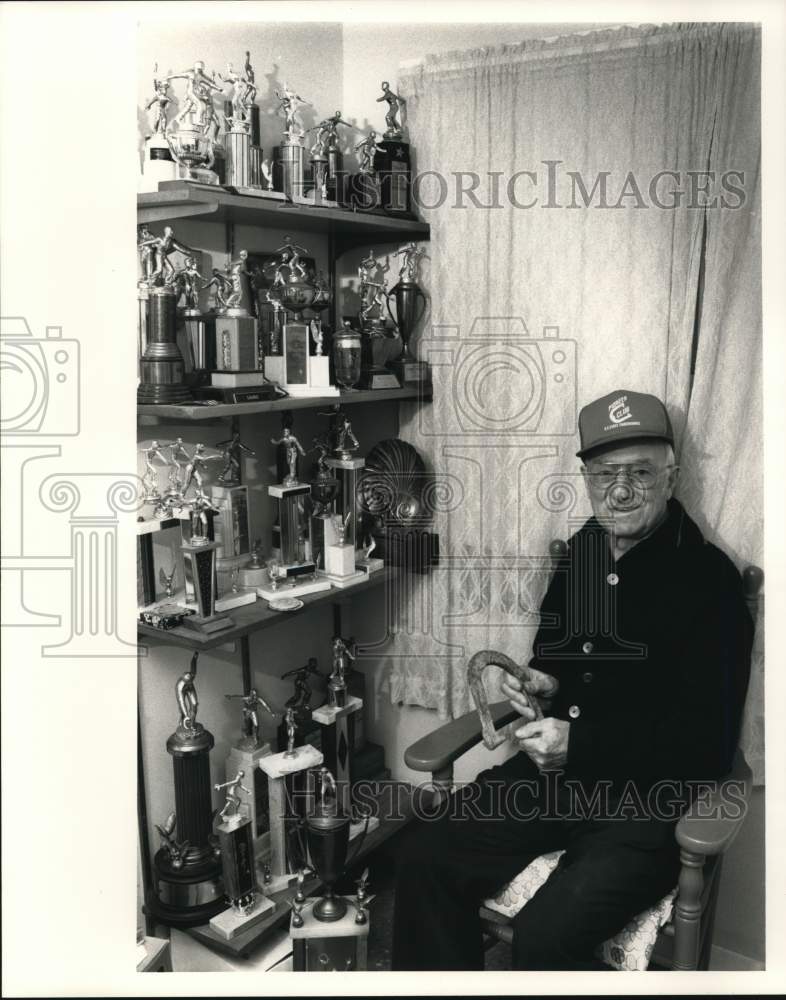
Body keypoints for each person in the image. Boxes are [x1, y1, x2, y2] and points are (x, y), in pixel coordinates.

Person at [392, 389, 754, 971]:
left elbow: (705, 745)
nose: (620, 489)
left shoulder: (710, 582)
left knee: (545, 936)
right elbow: (556, 659)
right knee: (422, 856)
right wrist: (541, 683)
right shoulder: (583, 550)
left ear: (672, 476)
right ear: (586, 477)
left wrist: (579, 743)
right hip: (551, 783)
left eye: (640, 471)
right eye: (606, 472)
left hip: (645, 808)